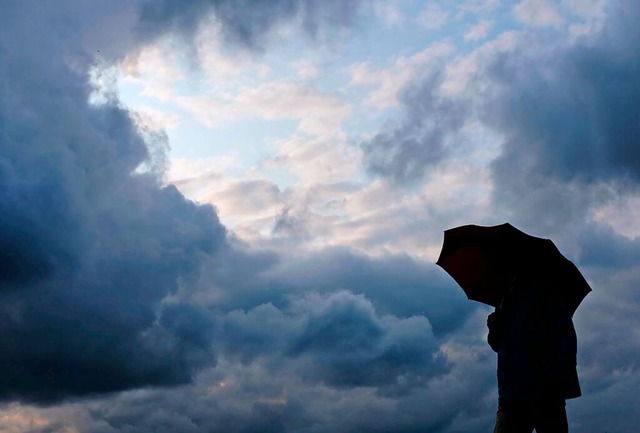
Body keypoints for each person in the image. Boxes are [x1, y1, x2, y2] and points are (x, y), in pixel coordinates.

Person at [487, 272, 582, 433]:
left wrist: (555, 385)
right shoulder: (505, 294)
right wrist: (494, 329)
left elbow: (565, 339)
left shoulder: (548, 289)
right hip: (512, 393)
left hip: (544, 393)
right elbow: (500, 345)